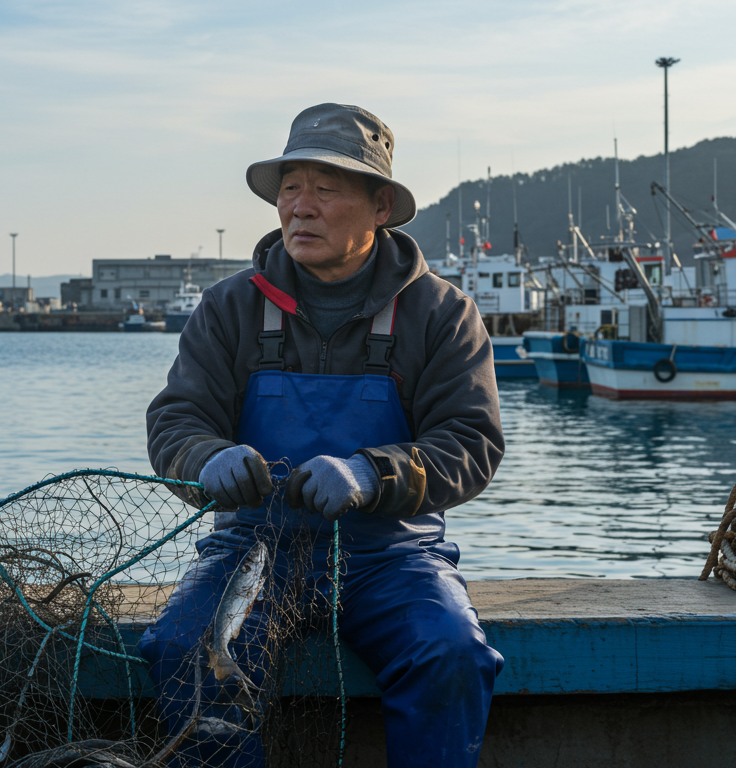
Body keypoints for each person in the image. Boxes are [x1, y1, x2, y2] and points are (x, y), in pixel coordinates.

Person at [140, 103, 505, 768]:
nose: (299, 208)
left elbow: (471, 442)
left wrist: (373, 474)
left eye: (326, 189)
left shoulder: (442, 313)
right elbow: (176, 421)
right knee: (182, 647)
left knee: (450, 653)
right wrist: (207, 458)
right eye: (289, 189)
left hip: (390, 557)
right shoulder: (230, 306)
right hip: (251, 549)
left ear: (380, 206)